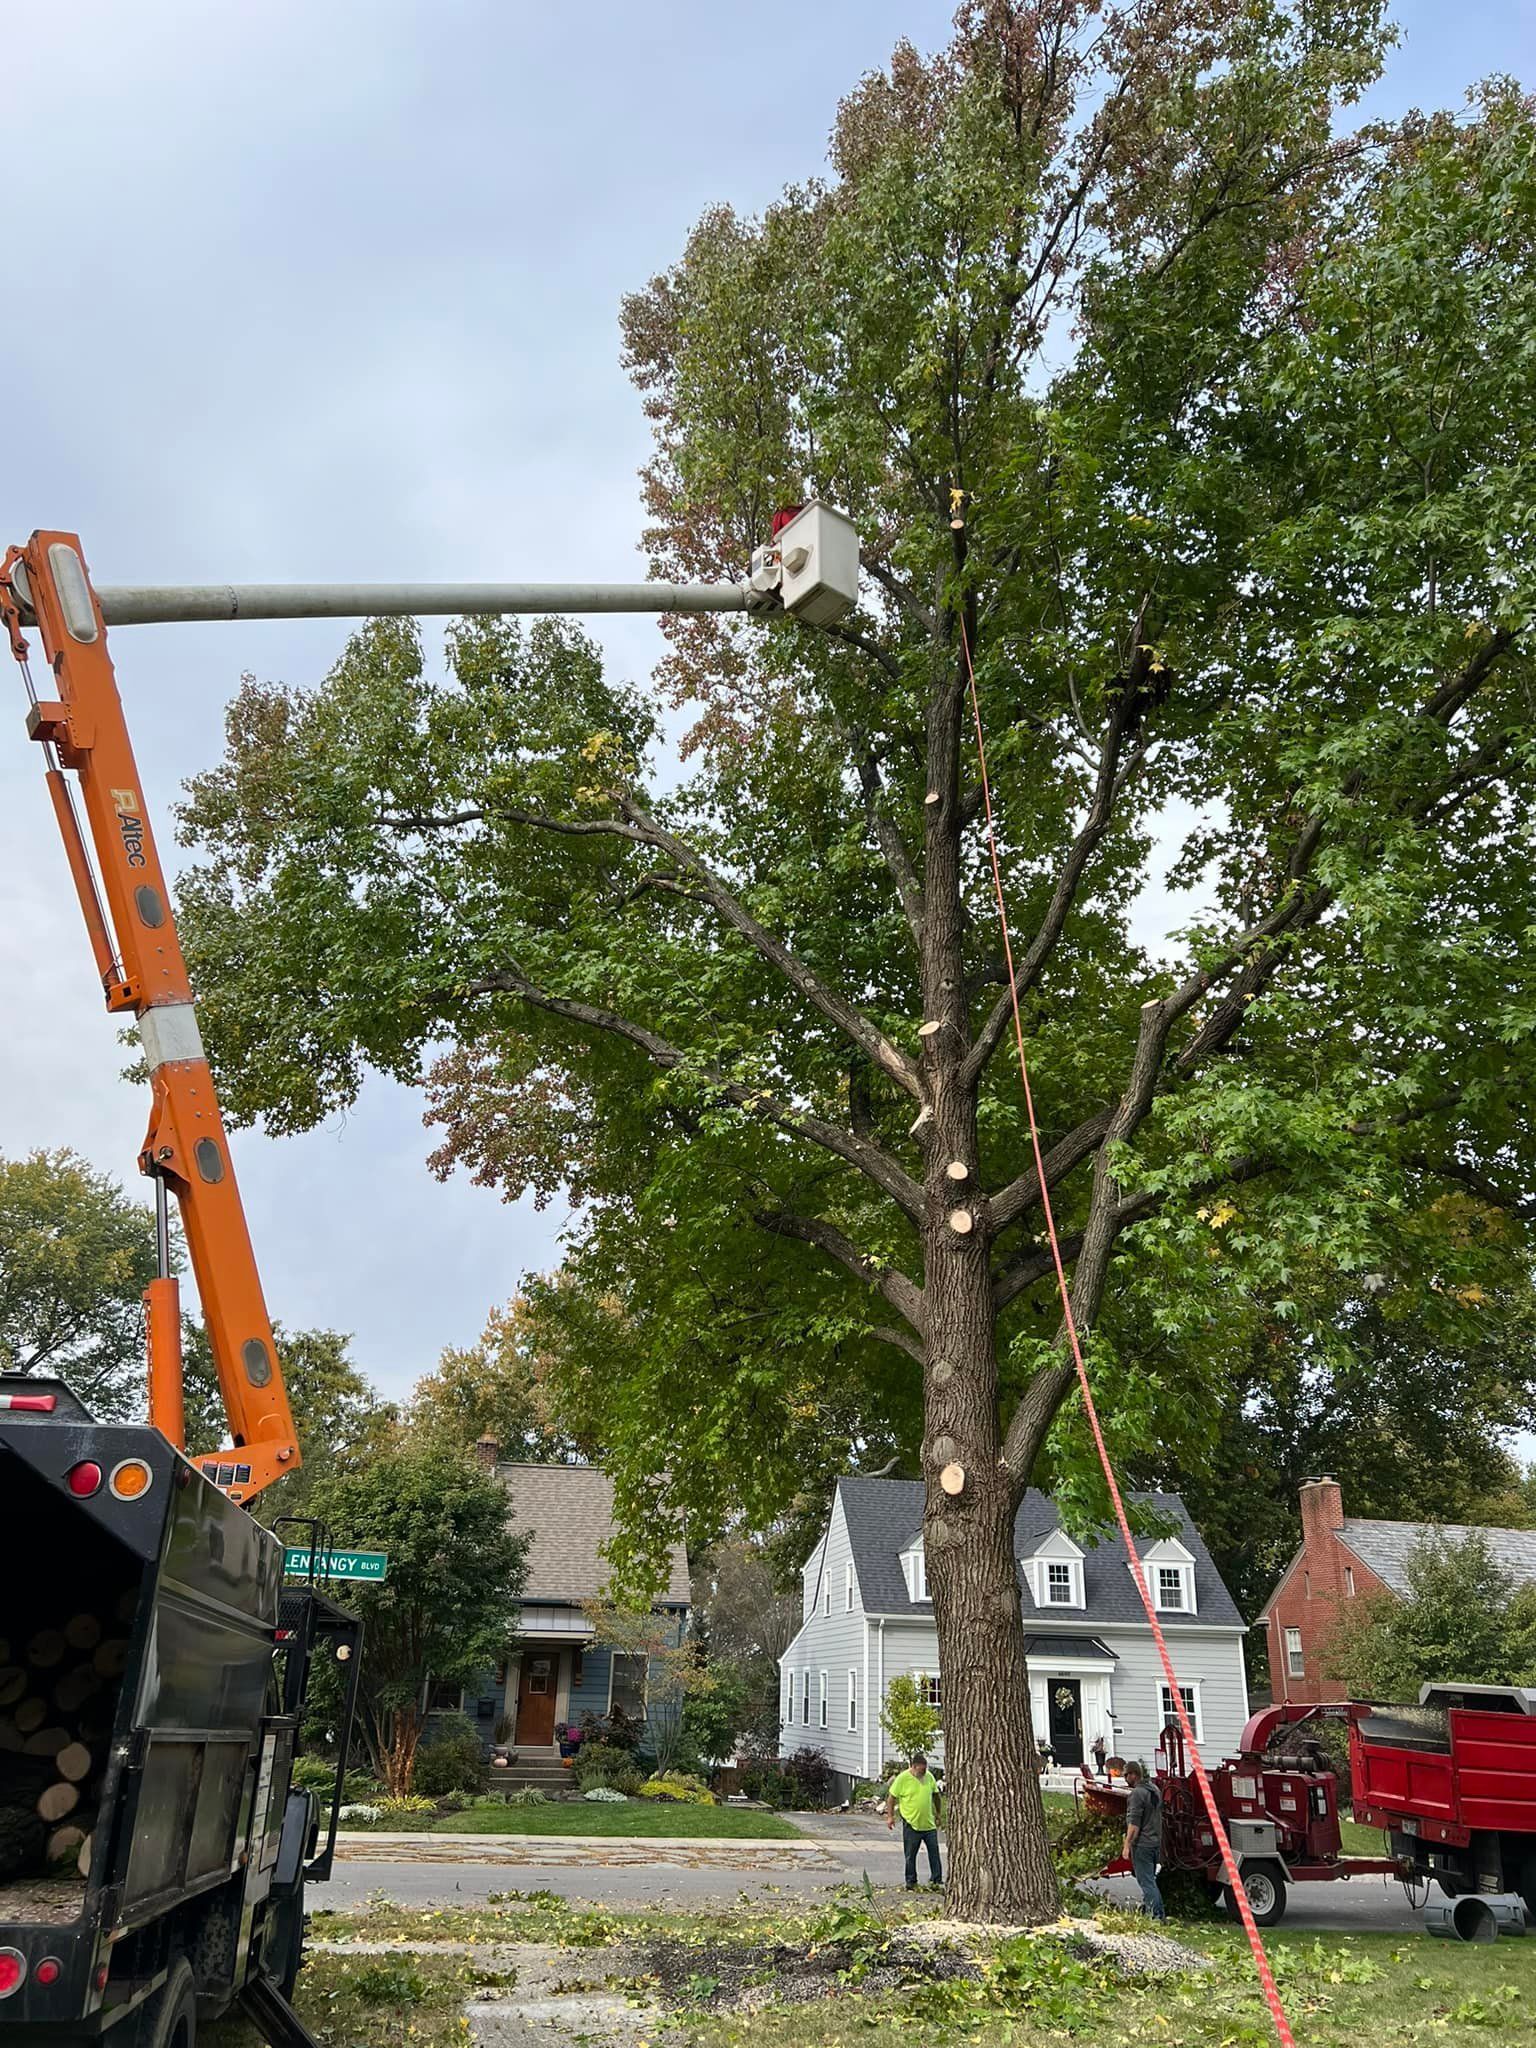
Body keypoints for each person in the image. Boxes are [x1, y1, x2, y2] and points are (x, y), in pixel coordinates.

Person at [885, 1752, 943, 1889]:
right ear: (914, 1767)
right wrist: (890, 1816)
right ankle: (911, 1881)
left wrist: (938, 1813)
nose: (924, 1772)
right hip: (911, 1823)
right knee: (910, 1855)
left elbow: (936, 1796)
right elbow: (891, 1798)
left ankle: (936, 1880)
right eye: (921, 1770)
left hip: (928, 1824)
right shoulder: (903, 1778)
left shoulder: (929, 1777)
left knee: (934, 1853)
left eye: (925, 1769)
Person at [1122, 1761, 1165, 1921]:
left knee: (1146, 1883)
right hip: (1155, 1842)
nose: (1125, 1778)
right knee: (1150, 1881)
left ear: (1134, 1774)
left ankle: (1155, 1916)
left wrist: (1127, 1845)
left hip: (1142, 1844)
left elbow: (1134, 1824)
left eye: (1126, 1775)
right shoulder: (1154, 1789)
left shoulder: (1137, 1794)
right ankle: (1155, 1912)